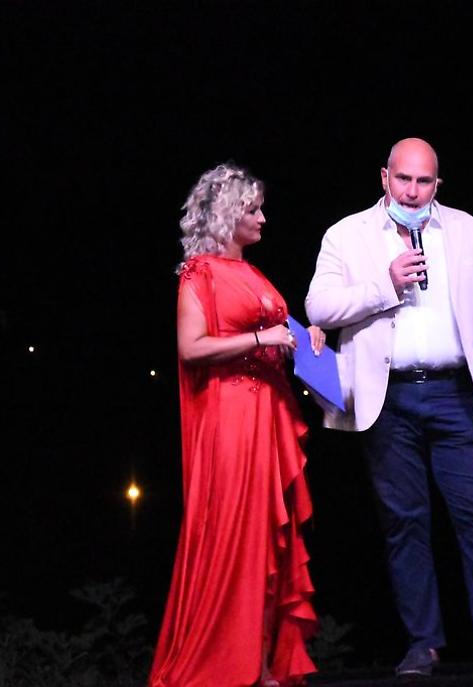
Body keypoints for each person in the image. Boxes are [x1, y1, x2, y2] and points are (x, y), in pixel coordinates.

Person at [304, 138, 473, 676]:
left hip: (457, 393)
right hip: (388, 398)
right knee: (405, 522)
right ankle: (423, 644)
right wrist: (384, 284)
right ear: (384, 178)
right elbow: (318, 306)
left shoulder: (469, 230)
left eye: (424, 182)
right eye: (404, 179)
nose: (413, 192)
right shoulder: (347, 234)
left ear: (438, 184)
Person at [150, 162, 324, 687]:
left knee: (267, 537)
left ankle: (262, 661)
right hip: (229, 418)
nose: (263, 218)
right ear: (227, 215)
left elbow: (278, 332)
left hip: (268, 413)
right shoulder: (199, 273)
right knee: (236, 536)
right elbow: (191, 347)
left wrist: (306, 337)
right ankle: (231, 662)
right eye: (253, 210)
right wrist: (261, 339)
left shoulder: (252, 274)